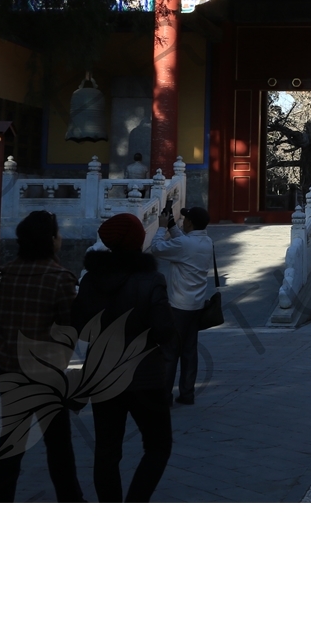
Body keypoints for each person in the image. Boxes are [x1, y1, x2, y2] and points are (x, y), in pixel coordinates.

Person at [70, 211, 173, 501]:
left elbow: (79, 327)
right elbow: (163, 329)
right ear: (138, 240)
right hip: (145, 376)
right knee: (158, 446)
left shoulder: (91, 280)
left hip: (103, 377)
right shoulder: (151, 280)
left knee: (106, 451)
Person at [0, 210, 83, 503]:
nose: (61, 237)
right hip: (46, 374)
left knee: (10, 443)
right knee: (59, 448)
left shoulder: (4, 273)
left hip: (10, 370)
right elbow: (72, 326)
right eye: (57, 232)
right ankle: (71, 501)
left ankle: (0, 501)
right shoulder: (59, 278)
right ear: (50, 240)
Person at [152, 204, 215, 405]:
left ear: (189, 222)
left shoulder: (186, 245)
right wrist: (171, 225)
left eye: (184, 219)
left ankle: (164, 396)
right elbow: (183, 242)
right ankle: (187, 393)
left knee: (170, 353)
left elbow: (156, 248)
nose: (183, 221)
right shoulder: (206, 241)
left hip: (178, 305)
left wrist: (162, 227)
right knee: (189, 351)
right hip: (196, 305)